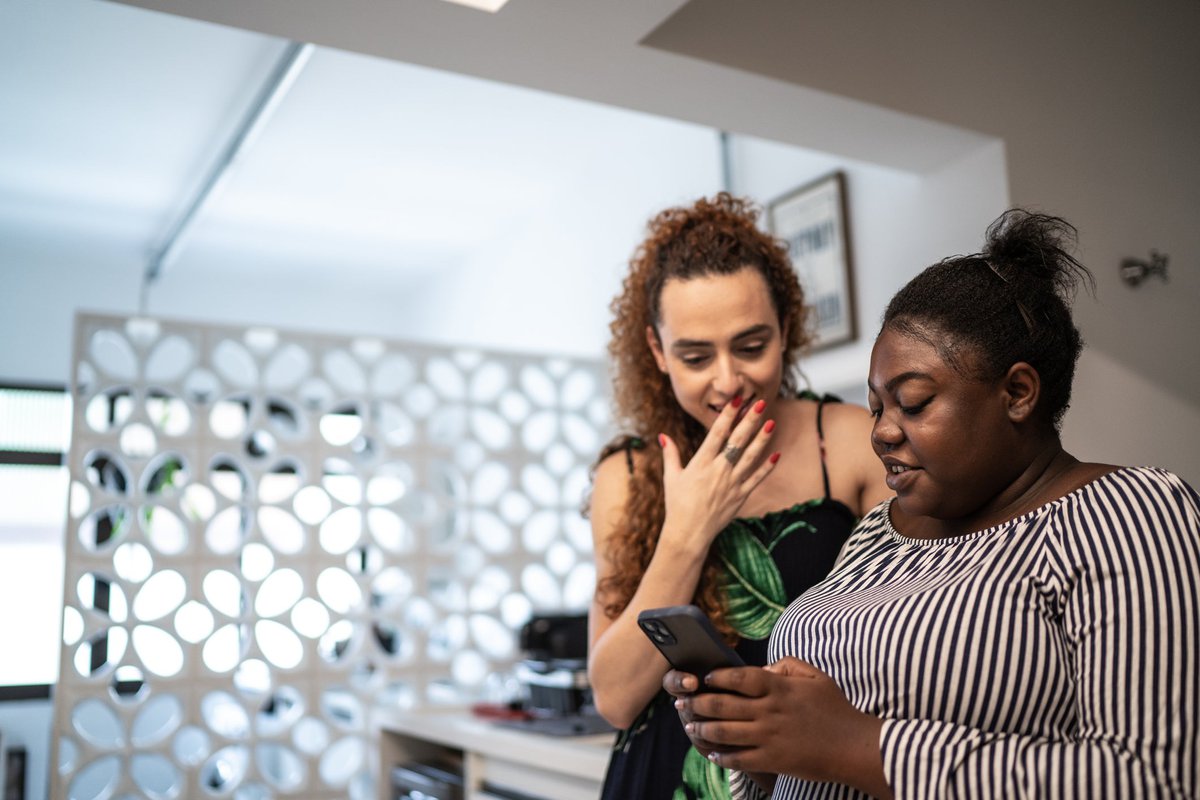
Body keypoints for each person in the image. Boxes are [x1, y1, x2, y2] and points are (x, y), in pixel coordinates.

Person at [666, 209, 1200, 799]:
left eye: (913, 403)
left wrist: (853, 743)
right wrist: (758, 744)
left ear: (1018, 393)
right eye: (876, 408)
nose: (883, 433)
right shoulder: (877, 533)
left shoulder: (1130, 513)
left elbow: (1154, 779)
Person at [587, 193, 891, 800]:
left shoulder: (853, 442)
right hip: (661, 776)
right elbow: (615, 699)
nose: (728, 381)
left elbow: (906, 644)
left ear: (787, 328)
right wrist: (688, 530)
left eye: (752, 347)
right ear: (656, 352)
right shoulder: (627, 473)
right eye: (695, 357)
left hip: (811, 775)